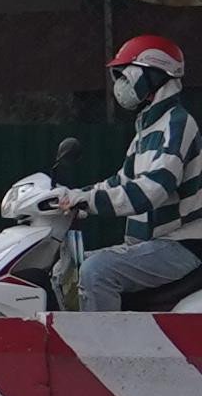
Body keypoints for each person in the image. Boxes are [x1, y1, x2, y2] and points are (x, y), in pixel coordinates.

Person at [70, 35, 202, 314]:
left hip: (182, 244)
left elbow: (154, 190)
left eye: (126, 74)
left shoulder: (177, 123)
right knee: (69, 266)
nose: (121, 84)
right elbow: (121, 182)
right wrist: (72, 196)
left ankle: (104, 355)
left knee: (97, 270)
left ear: (154, 75)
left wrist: (89, 202)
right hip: (151, 245)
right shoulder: (147, 129)